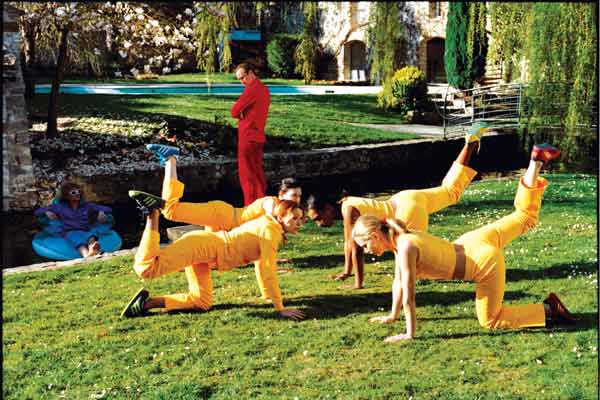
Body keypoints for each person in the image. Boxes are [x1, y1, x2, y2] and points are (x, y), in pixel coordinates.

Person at [353, 144, 576, 342]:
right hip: (472, 241)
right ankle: (535, 162)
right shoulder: (401, 233)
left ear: (374, 236)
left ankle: (549, 309)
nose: (368, 252)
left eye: (364, 247)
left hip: (482, 262)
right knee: (524, 217)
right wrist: (392, 316)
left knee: (491, 320)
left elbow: (409, 295)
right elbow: (399, 282)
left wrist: (409, 333)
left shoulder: (405, 247)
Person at [306, 122, 490, 289]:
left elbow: (354, 247)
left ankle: (460, 268)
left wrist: (357, 283)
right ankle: (470, 142)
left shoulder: (348, 209)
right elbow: (350, 246)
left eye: (318, 218)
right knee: (450, 192)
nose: (319, 223)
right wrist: (347, 272)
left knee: (411, 252)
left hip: (405, 209)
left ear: (328, 208)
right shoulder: (350, 203)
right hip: (406, 198)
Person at [121, 194, 306, 321]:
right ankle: (152, 215)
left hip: (207, 254)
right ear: (280, 216)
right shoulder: (270, 231)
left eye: (301, 219)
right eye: (294, 218)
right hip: (202, 247)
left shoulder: (272, 228)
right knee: (147, 269)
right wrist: (279, 308)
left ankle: (145, 304)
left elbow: (261, 266)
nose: (299, 223)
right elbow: (268, 270)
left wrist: (268, 297)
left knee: (202, 302)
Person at [144, 143, 301, 232]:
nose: (297, 200)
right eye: (293, 195)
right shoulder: (272, 203)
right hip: (221, 216)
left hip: (223, 224)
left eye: (299, 196)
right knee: (171, 211)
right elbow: (269, 215)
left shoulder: (283, 216)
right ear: (281, 194)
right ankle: (170, 159)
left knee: (210, 257)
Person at [34, 181, 111, 258]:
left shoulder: (87, 205)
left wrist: (101, 212)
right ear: (66, 195)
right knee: (75, 238)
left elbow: (108, 209)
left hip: (84, 229)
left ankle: (92, 248)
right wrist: (47, 212)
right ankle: (86, 255)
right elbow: (37, 212)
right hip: (69, 231)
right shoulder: (59, 207)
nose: (78, 194)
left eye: (79, 191)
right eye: (73, 192)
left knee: (91, 236)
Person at [231, 62, 271, 206]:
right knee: (257, 172)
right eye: (239, 79)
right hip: (258, 135)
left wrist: (242, 113)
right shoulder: (264, 89)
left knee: (247, 174)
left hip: (248, 136)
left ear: (250, 73)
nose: (241, 81)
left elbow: (234, 111)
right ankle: (261, 203)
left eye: (242, 77)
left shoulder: (251, 89)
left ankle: (250, 206)